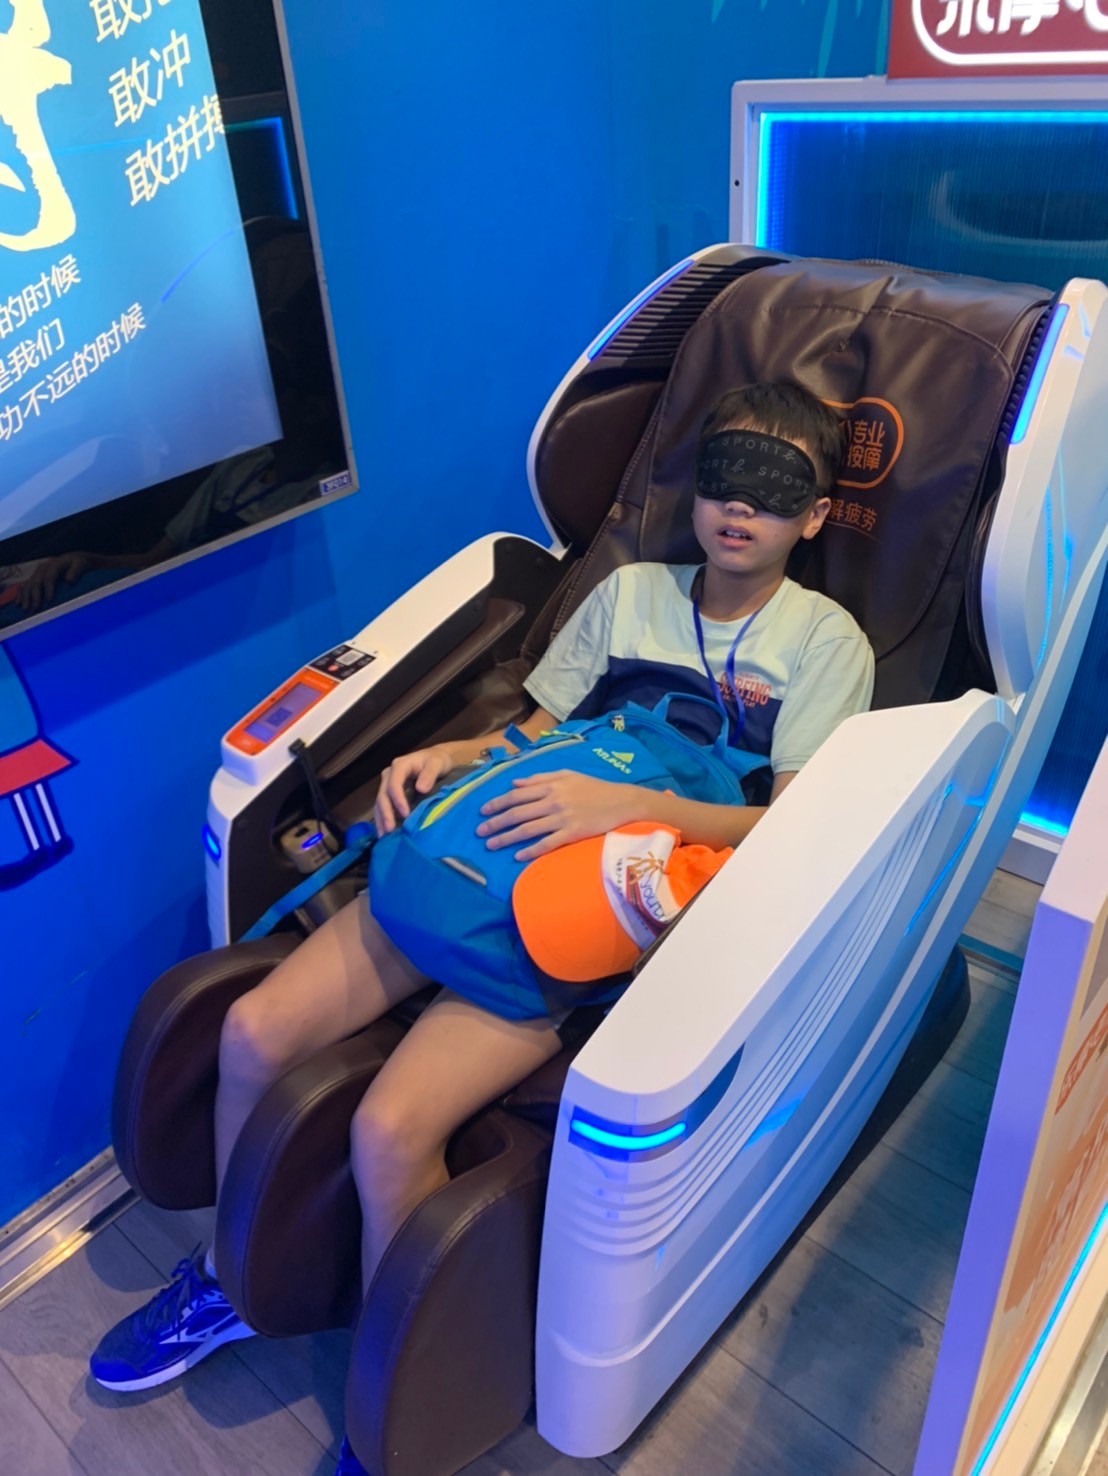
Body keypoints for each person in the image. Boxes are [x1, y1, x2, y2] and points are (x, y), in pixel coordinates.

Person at [89, 380, 874, 1475]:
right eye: (726, 478)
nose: (741, 508)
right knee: (252, 1031)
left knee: (386, 1131)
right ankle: (228, 1278)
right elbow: (535, 730)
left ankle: (393, 1387)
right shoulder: (630, 594)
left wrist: (627, 809)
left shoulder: (825, 642)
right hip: (485, 852)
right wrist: (447, 759)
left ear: (817, 514)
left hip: (585, 907)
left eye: (776, 489)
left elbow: (789, 823)